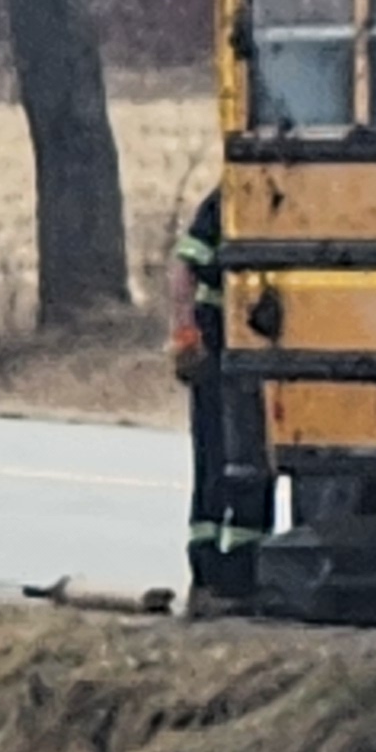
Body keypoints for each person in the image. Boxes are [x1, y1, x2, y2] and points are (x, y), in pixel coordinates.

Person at [168, 188, 266, 613]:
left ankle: (246, 575)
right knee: (217, 455)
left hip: (265, 344)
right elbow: (184, 267)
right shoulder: (231, 196)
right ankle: (208, 577)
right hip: (217, 343)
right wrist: (187, 337)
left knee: (256, 462)